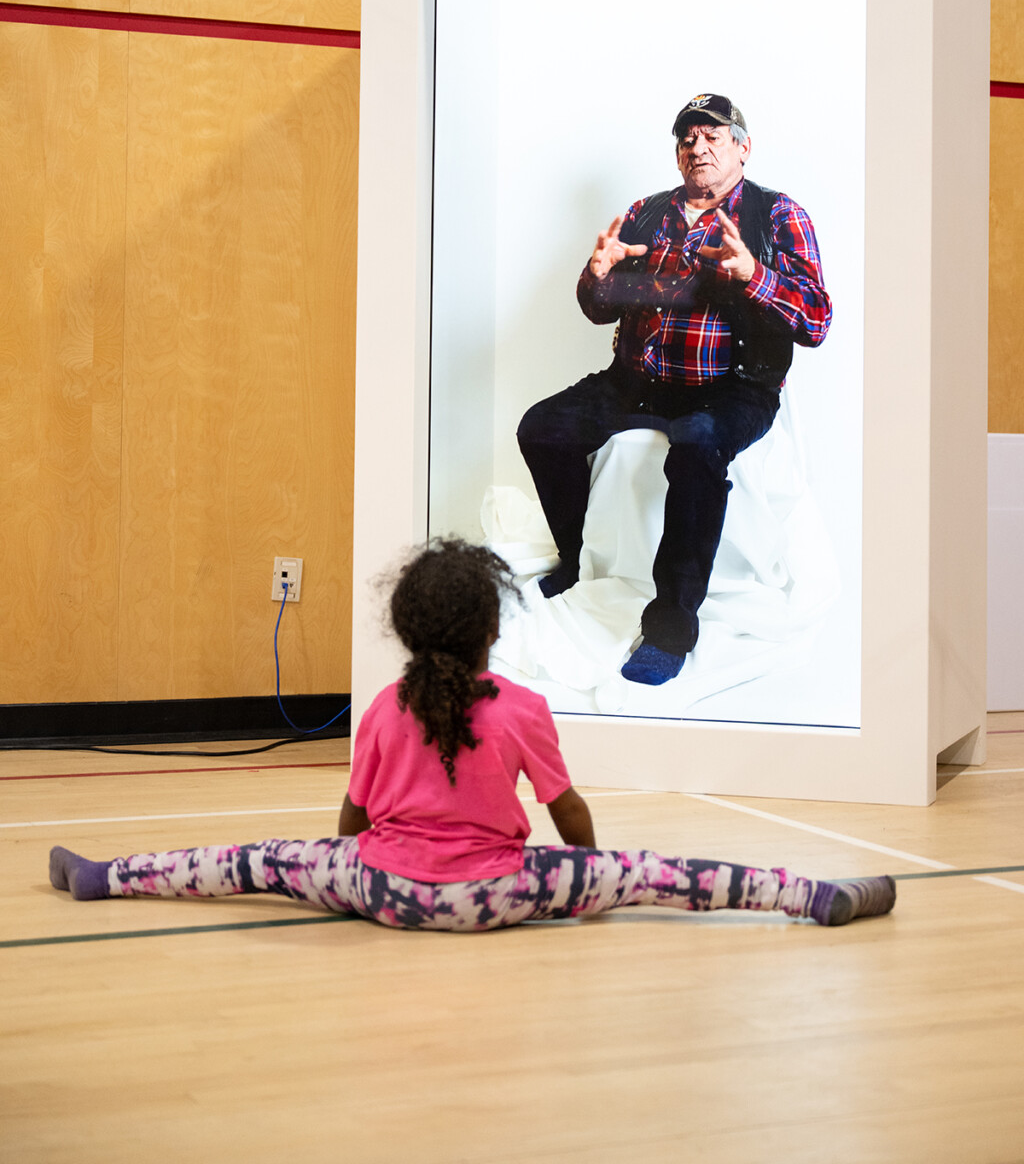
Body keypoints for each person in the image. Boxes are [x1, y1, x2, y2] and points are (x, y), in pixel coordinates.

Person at [49, 539, 894, 932]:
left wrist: (345, 863)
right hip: (497, 894)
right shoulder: (522, 706)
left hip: (381, 889)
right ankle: (806, 897)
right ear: (492, 627)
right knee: (663, 877)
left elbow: (350, 820)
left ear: (410, 631)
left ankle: (109, 878)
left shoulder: (385, 705)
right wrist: (592, 870)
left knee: (245, 862)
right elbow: (568, 816)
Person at [517, 93, 832, 687]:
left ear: (742, 147)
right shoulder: (647, 213)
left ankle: (670, 627)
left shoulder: (776, 215)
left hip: (732, 388)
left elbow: (816, 319)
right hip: (637, 383)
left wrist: (753, 276)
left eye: (714, 135)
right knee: (542, 428)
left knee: (695, 448)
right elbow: (597, 310)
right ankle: (576, 555)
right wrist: (599, 276)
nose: (699, 147)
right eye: (688, 138)